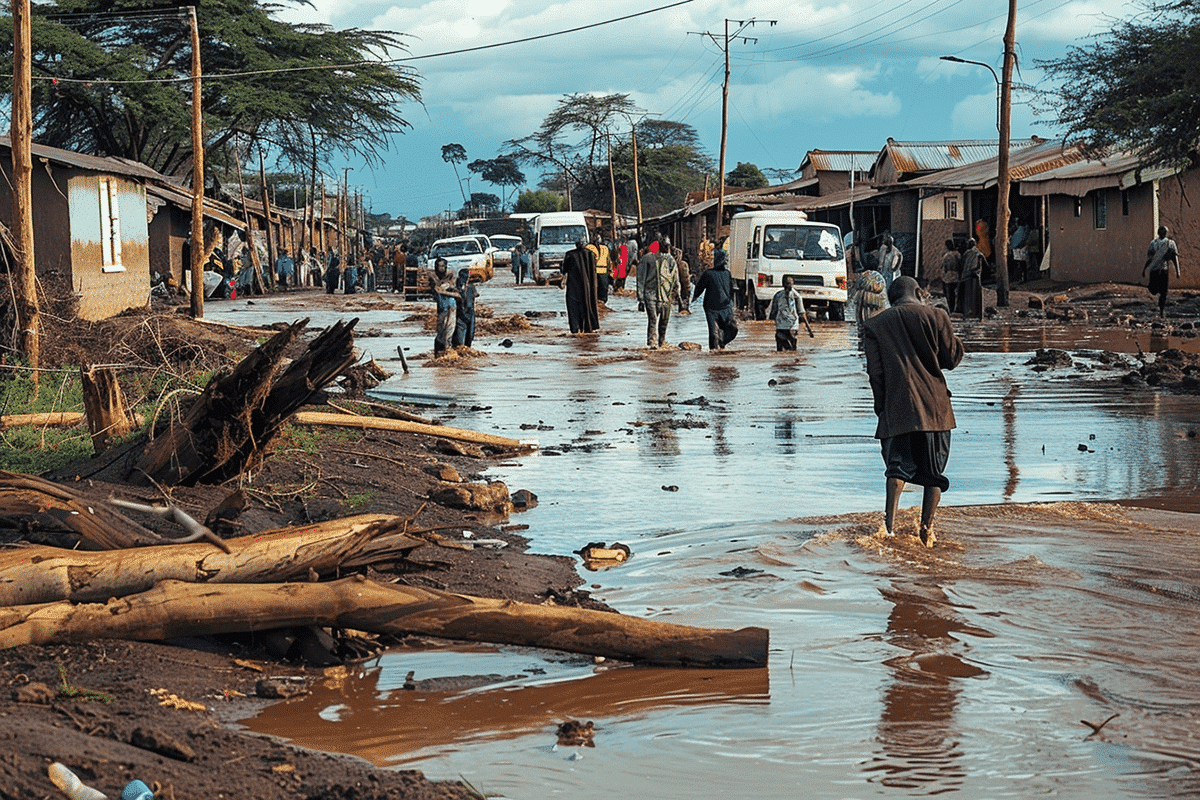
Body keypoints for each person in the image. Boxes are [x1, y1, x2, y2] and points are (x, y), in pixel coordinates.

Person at [861, 275, 964, 547]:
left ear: (890, 299)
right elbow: (951, 359)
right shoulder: (937, 316)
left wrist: (882, 407)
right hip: (936, 409)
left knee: (897, 468)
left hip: (898, 405)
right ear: (919, 292)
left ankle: (888, 528)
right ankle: (926, 531)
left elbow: (876, 374)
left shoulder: (874, 325)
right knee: (934, 473)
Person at [637, 235, 681, 348]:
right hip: (650, 294)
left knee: (664, 321)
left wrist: (678, 294)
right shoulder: (647, 259)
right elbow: (641, 278)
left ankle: (661, 341)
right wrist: (640, 298)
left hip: (666, 295)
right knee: (653, 318)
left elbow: (675, 278)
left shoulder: (670, 260)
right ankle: (652, 342)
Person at [691, 248, 738, 350]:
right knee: (713, 334)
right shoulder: (708, 274)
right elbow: (699, 288)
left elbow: (731, 289)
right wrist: (693, 299)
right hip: (711, 309)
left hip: (725, 307)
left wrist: (731, 303)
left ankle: (721, 344)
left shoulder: (727, 273)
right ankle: (713, 355)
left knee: (733, 329)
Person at [562, 238, 599, 333]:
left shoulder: (570, 255)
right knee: (588, 305)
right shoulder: (591, 254)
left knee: (573, 307)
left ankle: (575, 328)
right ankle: (588, 327)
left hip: (573, 286)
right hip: (588, 286)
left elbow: (564, 269)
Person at [1143, 225, 1181, 317]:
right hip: (1154, 270)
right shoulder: (1153, 243)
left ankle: (1161, 311)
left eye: (1164, 231)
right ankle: (1155, 289)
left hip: (1164, 270)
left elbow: (1174, 258)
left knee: (1164, 292)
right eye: (1162, 231)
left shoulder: (1170, 243)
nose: (1163, 233)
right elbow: (1150, 257)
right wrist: (1144, 269)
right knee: (1153, 289)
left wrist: (1178, 270)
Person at [769, 275, 812, 351]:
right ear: (783, 284)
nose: (788, 285)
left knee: (792, 349)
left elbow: (802, 313)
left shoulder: (797, 297)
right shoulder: (778, 295)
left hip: (792, 326)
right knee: (779, 350)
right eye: (786, 283)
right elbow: (773, 312)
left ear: (793, 284)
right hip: (781, 326)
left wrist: (809, 329)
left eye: (790, 283)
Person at [430, 258, 460, 356]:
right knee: (441, 329)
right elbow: (435, 290)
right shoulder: (434, 277)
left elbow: (453, 287)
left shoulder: (450, 276)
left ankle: (448, 349)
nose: (442, 268)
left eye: (443, 266)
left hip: (451, 305)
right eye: (440, 266)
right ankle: (439, 351)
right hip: (442, 307)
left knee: (450, 328)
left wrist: (448, 287)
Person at [959, 238, 985, 319]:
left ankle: (969, 312)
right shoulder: (977, 253)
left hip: (968, 276)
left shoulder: (968, 254)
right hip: (974, 276)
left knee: (969, 295)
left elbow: (962, 265)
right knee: (974, 295)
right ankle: (975, 313)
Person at [452, 268, 478, 348]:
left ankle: (466, 349)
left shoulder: (470, 287)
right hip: (460, 312)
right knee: (460, 335)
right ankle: (460, 349)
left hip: (470, 311)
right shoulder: (457, 287)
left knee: (470, 334)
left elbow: (474, 296)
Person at [586, 235, 612, 304]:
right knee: (602, 289)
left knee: (595, 289)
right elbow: (608, 261)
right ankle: (601, 302)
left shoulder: (588, 248)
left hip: (595, 272)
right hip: (601, 272)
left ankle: (598, 302)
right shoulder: (605, 248)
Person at [939, 239, 961, 313]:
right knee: (958, 294)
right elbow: (960, 265)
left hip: (948, 277)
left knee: (950, 294)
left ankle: (951, 309)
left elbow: (943, 267)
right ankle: (957, 308)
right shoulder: (957, 254)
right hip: (956, 276)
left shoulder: (946, 256)